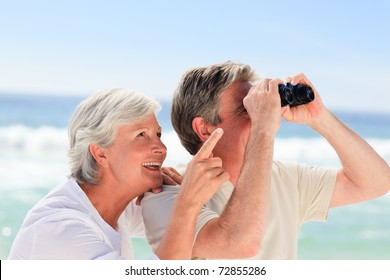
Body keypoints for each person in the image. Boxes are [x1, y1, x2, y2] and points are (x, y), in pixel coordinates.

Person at [141, 61, 390, 259]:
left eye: (259, 106)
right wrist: (263, 126)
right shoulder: (169, 194)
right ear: (205, 129)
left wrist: (319, 117)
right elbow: (241, 243)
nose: (263, 114)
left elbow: (376, 182)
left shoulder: (285, 179)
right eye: (247, 109)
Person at [8, 88, 229, 260]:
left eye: (158, 134)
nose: (161, 148)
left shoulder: (118, 207)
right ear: (100, 153)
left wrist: (186, 191)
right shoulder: (60, 228)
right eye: (141, 134)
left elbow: (192, 232)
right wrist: (187, 202)